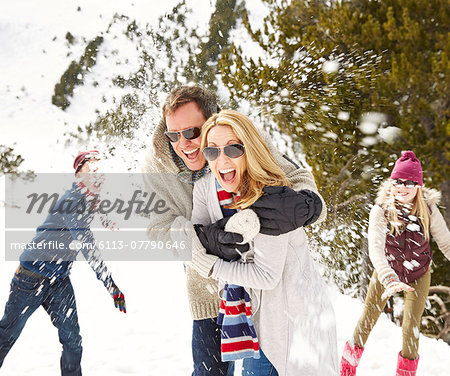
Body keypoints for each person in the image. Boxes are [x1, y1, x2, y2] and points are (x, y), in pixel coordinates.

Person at [142, 85, 327, 375]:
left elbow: (296, 176)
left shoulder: (239, 138)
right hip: (207, 284)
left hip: (262, 286)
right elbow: (158, 229)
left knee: (267, 366)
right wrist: (204, 243)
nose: (184, 143)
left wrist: (309, 205)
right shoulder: (157, 166)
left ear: (212, 120)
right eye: (173, 135)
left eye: (192, 132)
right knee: (210, 370)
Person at [188, 109, 338, 375]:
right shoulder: (205, 189)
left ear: (250, 149)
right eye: (212, 151)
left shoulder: (271, 196)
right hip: (248, 314)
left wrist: (213, 266)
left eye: (233, 149)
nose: (221, 160)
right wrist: (205, 242)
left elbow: (266, 276)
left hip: (288, 312)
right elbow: (196, 234)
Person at [0, 150, 126, 376]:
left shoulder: (89, 197)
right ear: (78, 176)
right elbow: (86, 244)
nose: (98, 176)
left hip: (58, 279)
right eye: (91, 171)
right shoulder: (72, 201)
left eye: (100, 170)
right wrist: (110, 285)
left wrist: (106, 217)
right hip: (31, 277)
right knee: (7, 335)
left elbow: (95, 205)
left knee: (72, 340)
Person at [339, 151, 450, 376]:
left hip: (418, 272)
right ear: (392, 182)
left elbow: (446, 244)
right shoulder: (381, 209)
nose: (403, 187)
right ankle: (346, 369)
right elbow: (376, 250)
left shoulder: (428, 209)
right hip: (386, 271)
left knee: (411, 328)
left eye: (409, 182)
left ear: (418, 185)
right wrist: (388, 276)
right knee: (367, 319)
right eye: (398, 181)